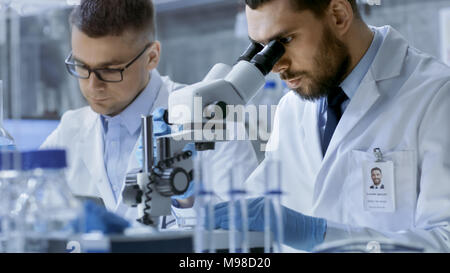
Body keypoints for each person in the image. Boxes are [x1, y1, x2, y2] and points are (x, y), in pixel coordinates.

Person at [212, 0, 450, 252]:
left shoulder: (437, 97)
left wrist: (322, 236)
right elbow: (251, 213)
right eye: (261, 48)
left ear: (338, 15)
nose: (275, 65)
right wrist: (187, 198)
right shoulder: (292, 108)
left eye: (284, 40)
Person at [41, 0, 258, 222]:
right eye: (81, 66)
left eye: (110, 70)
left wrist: (188, 199)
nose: (92, 85)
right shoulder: (69, 131)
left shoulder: (214, 119)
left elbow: (247, 232)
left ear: (152, 56)